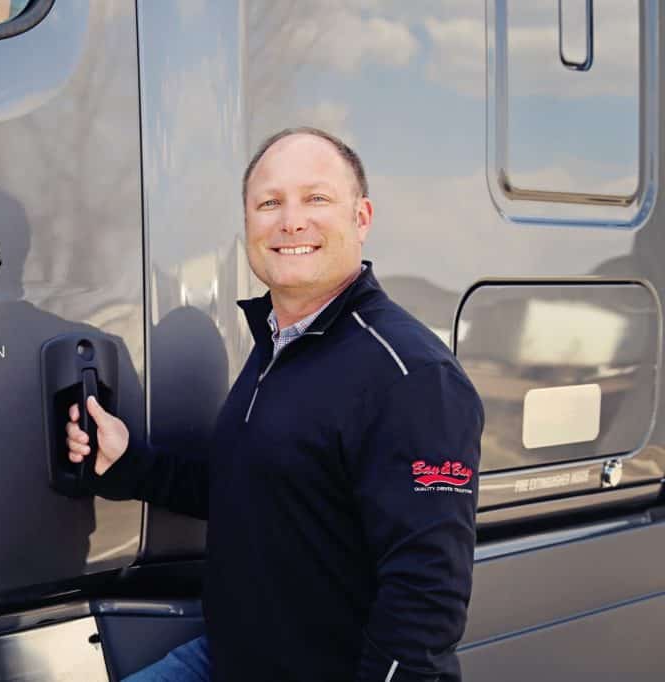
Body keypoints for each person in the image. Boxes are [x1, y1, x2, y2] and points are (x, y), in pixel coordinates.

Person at [66, 127, 484, 681]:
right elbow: (249, 490)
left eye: (316, 198)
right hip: (228, 657)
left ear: (361, 219)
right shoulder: (278, 346)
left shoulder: (410, 376)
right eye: (270, 203)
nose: (291, 221)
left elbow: (427, 590)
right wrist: (127, 465)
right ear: (248, 228)